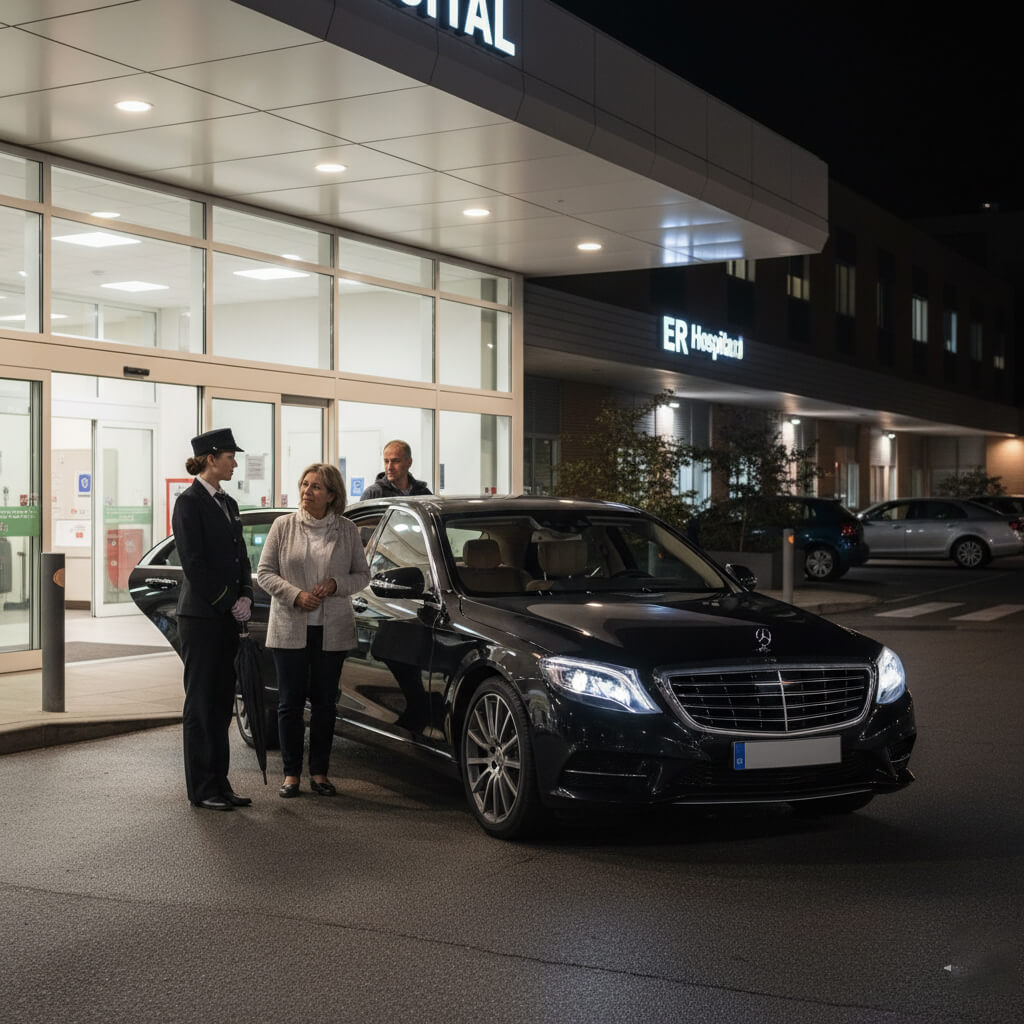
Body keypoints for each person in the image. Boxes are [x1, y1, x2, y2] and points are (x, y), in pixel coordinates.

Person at [257, 463, 370, 798]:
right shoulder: (283, 526)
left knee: (324, 704)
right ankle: (291, 775)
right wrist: (295, 595)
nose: (307, 491)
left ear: (332, 495)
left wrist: (337, 583)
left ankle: (319, 772)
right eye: (305, 485)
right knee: (289, 703)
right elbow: (264, 573)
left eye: (316, 487)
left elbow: (362, 576)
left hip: (331, 630)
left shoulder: (347, 530)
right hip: (290, 627)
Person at [172, 428, 253, 812]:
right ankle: (202, 788)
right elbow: (194, 563)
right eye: (230, 456)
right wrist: (226, 602)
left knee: (222, 703)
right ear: (211, 459)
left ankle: (221, 783)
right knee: (202, 704)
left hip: (224, 617)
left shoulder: (229, 503)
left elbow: (241, 559)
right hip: (202, 617)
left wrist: (246, 597)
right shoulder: (189, 503)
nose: (234, 462)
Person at [360, 439, 432, 499]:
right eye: (386, 461)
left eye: (395, 461)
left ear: (409, 463)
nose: (389, 467)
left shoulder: (423, 493)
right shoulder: (373, 494)